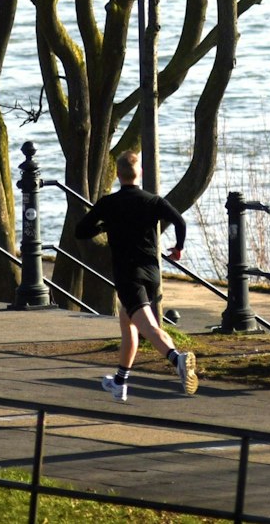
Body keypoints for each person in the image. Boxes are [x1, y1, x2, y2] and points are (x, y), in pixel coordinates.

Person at [75, 154, 198, 400]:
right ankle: (120, 381)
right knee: (128, 323)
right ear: (139, 173)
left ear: (118, 175)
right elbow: (180, 221)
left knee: (148, 327)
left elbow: (81, 231)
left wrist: (104, 226)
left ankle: (177, 359)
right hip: (152, 275)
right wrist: (179, 248)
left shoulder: (108, 203)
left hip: (128, 275)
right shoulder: (153, 201)